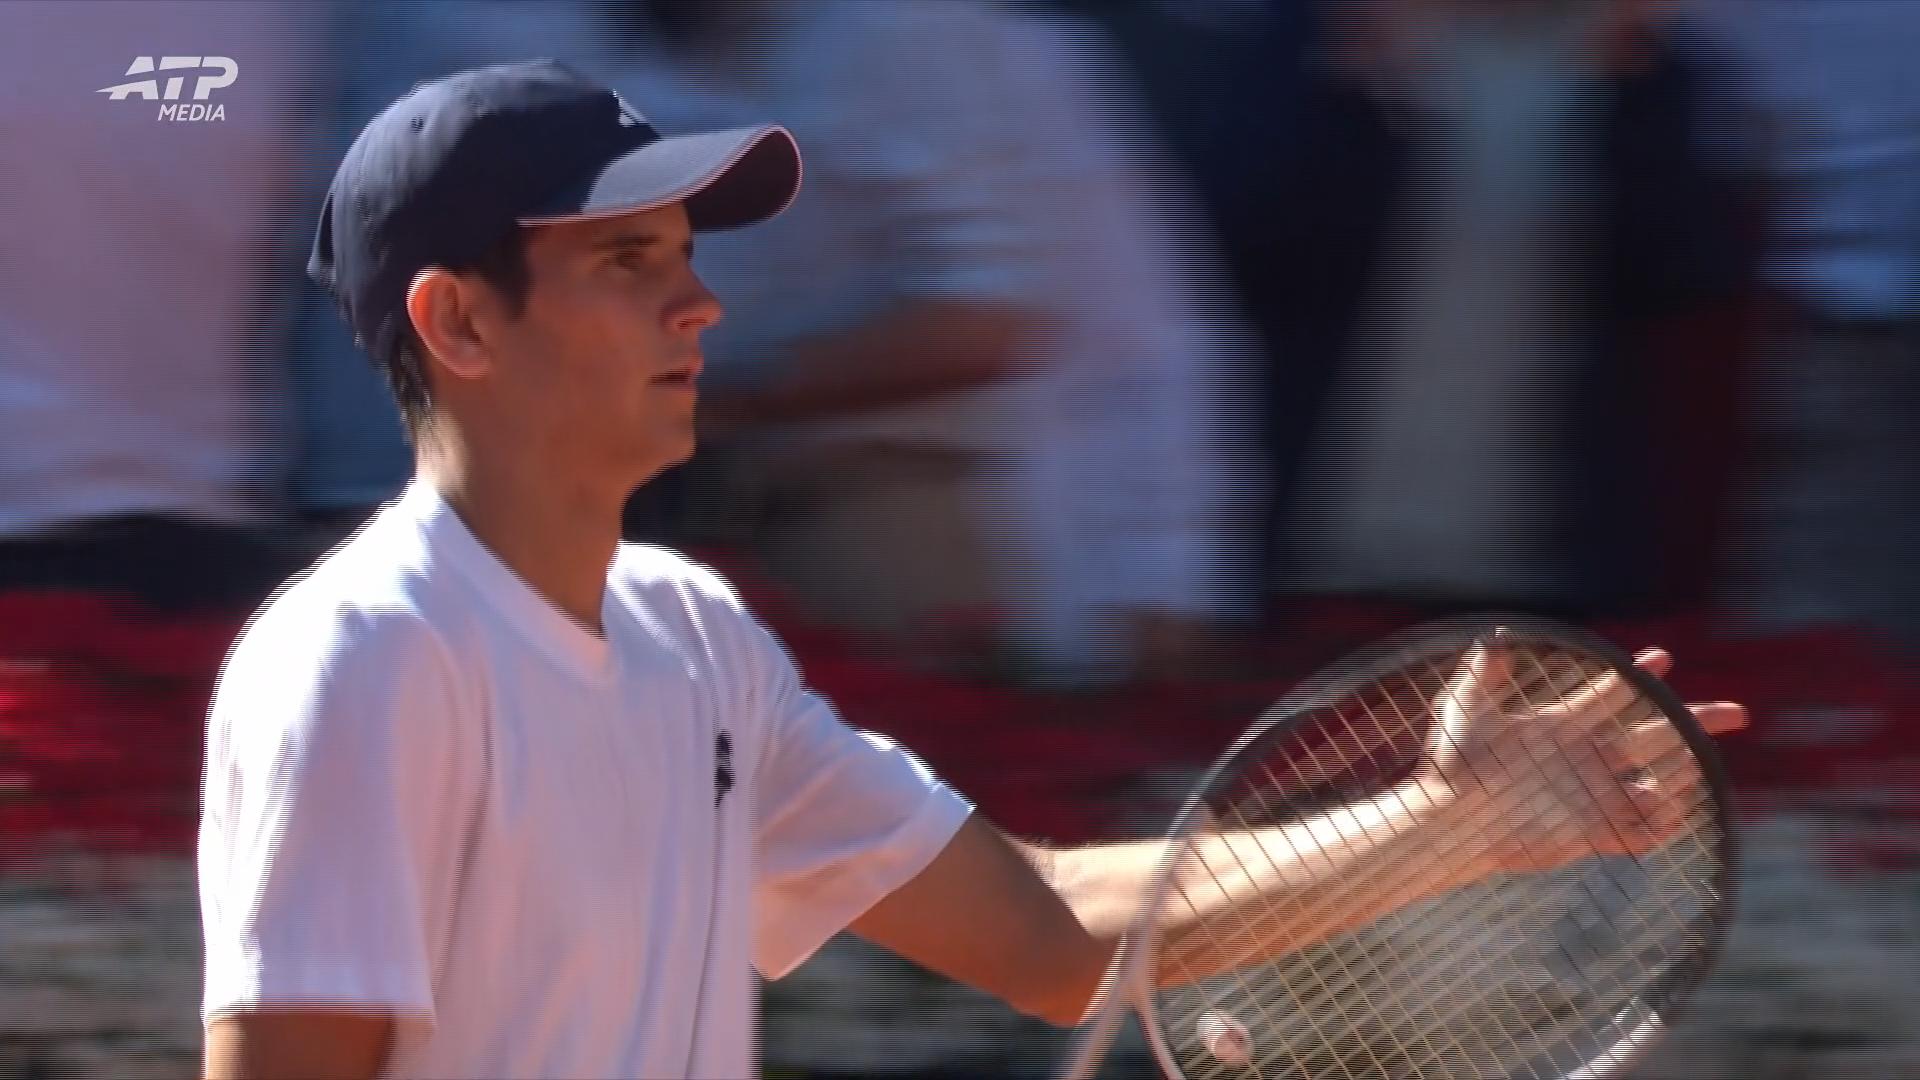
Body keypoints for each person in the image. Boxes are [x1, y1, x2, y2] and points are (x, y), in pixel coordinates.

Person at [196, 60, 1747, 1079]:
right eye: (627, 263)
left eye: (687, 256)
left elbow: (1051, 932)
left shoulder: (695, 638)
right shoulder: (366, 659)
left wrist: (1455, 823)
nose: (701, 307)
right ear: (460, 323)